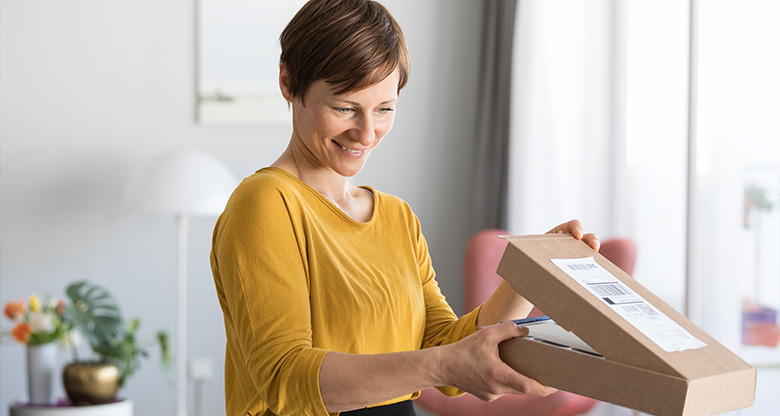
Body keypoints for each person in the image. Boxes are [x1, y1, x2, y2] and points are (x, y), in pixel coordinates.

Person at [209, 0, 600, 415]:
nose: (365, 132)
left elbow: (445, 353)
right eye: (344, 108)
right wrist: (442, 364)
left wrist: (530, 276)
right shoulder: (267, 203)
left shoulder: (396, 217)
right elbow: (283, 377)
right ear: (289, 81)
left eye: (384, 109)